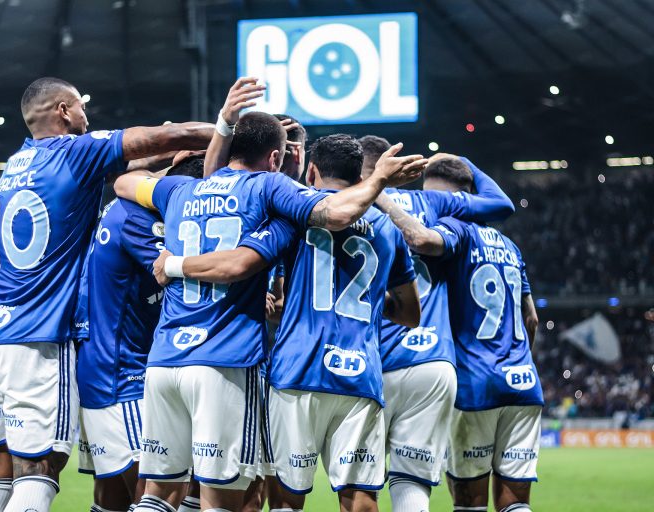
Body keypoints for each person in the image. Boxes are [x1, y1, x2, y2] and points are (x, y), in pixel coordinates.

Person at [113, 83, 427, 512]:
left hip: (194, 358)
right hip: (275, 364)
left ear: (311, 170)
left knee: (170, 492)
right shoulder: (287, 200)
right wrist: (380, 183)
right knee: (248, 497)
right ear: (278, 160)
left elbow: (125, 182)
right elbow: (339, 224)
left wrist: (200, 141)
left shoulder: (183, 193)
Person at [0, 76, 213, 512]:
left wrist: (160, 157)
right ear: (62, 110)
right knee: (39, 470)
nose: (86, 116)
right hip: (31, 337)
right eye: (80, 107)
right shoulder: (75, 151)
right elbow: (164, 135)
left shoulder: (16, 162)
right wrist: (231, 131)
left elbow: (121, 171)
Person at [377, 170, 542, 512]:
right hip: (525, 382)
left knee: (470, 501)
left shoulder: (456, 233)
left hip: (476, 383)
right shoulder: (510, 247)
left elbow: (421, 240)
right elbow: (532, 320)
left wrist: (377, 192)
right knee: (516, 504)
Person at [76, 155, 205, 512]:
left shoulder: (124, 206)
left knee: (112, 495)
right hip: (123, 374)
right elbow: (172, 272)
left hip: (102, 363)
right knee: (161, 489)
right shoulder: (140, 218)